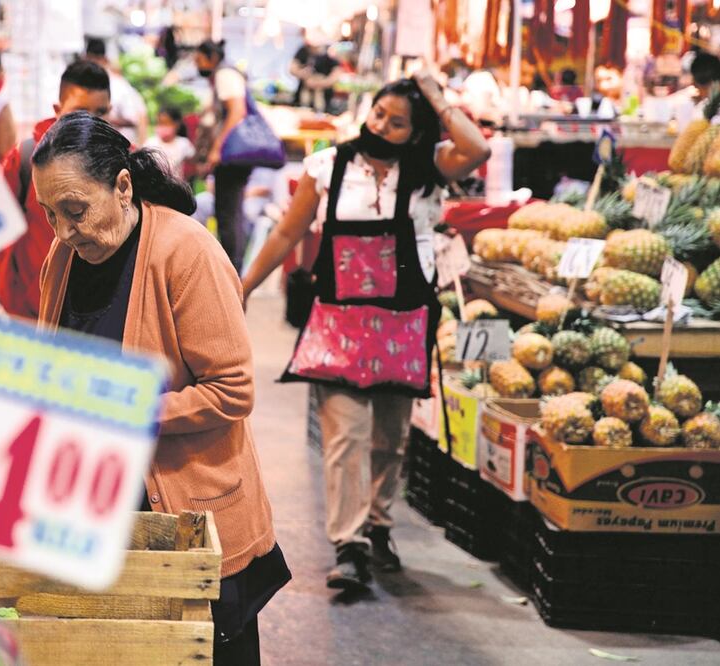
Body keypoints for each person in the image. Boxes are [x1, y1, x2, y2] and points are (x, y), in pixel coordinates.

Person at [34, 112, 290, 665]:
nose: (63, 231)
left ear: (122, 186)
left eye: (75, 211)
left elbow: (232, 389)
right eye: (50, 214)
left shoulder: (186, 252)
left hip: (188, 520)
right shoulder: (63, 257)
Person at [242, 74, 490, 590]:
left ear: (417, 132)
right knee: (346, 438)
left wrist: (439, 100)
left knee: (389, 441)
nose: (380, 125)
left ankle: (378, 523)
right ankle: (349, 544)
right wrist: (242, 287)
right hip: (339, 324)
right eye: (378, 113)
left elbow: (477, 146)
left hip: (403, 325)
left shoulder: (428, 172)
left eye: (397, 123)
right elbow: (289, 231)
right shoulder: (328, 168)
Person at [0, 60, 111, 319]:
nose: (90, 123)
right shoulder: (26, 159)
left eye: (100, 113)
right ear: (58, 110)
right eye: (79, 111)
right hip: (29, 318)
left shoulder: (123, 165)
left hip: (97, 323)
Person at [194, 39, 253, 275]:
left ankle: (231, 273)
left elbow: (237, 111)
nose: (197, 65)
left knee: (228, 215)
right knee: (227, 212)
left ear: (211, 58)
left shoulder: (224, 75)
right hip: (232, 157)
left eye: (199, 60)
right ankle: (230, 271)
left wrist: (217, 147)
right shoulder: (223, 75)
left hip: (232, 157)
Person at [85, 37, 148, 145]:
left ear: (104, 60)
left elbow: (136, 119)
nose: (92, 66)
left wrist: (103, 120)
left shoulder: (118, 85)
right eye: (89, 60)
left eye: (95, 60)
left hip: (120, 145)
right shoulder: (87, 84)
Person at [143, 106, 195, 177]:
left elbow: (193, 161)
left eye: (166, 123)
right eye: (160, 123)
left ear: (177, 124)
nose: (162, 126)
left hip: (176, 184)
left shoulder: (183, 143)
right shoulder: (150, 143)